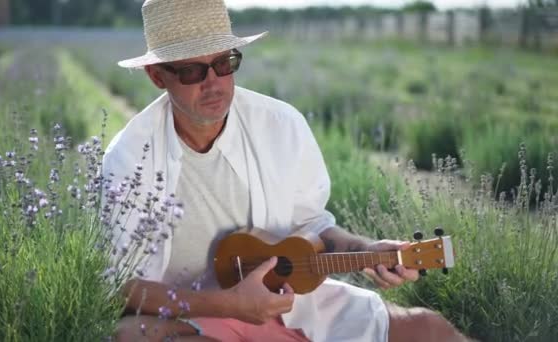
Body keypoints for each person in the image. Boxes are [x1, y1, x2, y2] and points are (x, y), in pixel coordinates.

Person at [103, 0, 470, 341]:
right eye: (191, 70)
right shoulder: (128, 158)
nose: (213, 82)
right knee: (129, 334)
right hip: (189, 319)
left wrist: (365, 249)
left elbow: (312, 226)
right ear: (156, 76)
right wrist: (231, 305)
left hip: (288, 301)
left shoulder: (281, 124)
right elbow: (123, 285)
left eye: (224, 63)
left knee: (429, 328)